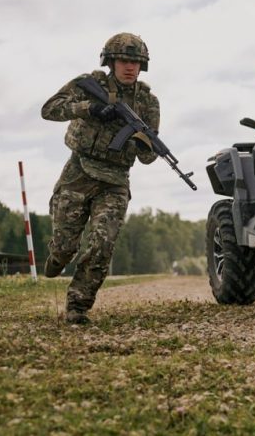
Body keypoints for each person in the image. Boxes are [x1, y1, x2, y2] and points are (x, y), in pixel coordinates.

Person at [41, 32, 160, 324]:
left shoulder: (147, 103)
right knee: (65, 245)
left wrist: (142, 140)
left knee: (102, 243)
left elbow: (148, 157)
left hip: (115, 181)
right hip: (79, 171)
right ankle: (57, 257)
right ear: (111, 61)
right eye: (123, 60)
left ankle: (77, 306)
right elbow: (49, 109)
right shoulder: (90, 84)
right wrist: (89, 108)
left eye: (135, 62)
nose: (130, 67)